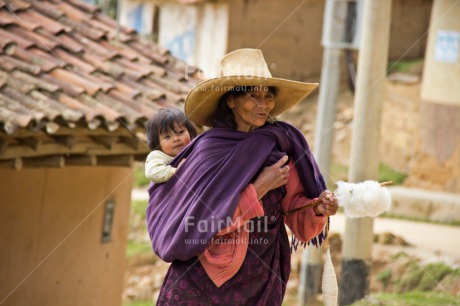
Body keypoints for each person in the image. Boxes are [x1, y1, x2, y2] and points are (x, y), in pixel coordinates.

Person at [146, 48, 339, 305]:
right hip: (203, 280)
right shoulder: (209, 151)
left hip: (262, 277)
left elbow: (293, 210)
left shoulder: (281, 146)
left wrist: (318, 207)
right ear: (231, 101)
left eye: (268, 96)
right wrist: (258, 189)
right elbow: (200, 223)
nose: (263, 104)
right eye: (252, 96)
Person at [145, 108, 197, 183]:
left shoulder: (196, 150)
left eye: (180, 132)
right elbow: (152, 172)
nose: (176, 139)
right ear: (157, 144)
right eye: (167, 137)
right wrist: (176, 171)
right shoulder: (157, 156)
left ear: (190, 133)